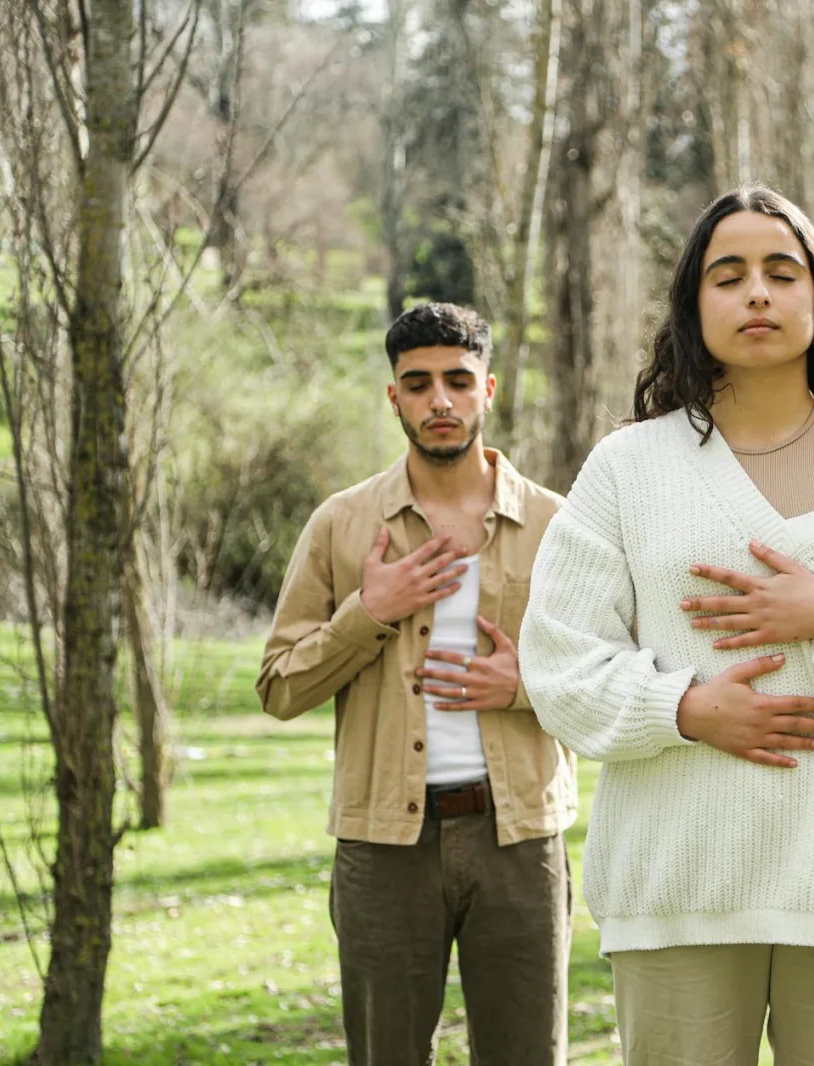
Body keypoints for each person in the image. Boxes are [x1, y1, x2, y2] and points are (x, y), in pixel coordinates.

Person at [517, 186, 814, 1065]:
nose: (756, 293)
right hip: (680, 887)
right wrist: (686, 710)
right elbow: (559, 663)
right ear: (693, 303)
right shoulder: (629, 468)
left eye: (782, 272)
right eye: (728, 274)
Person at [256, 302, 574, 1066]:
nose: (440, 400)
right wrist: (371, 611)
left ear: (488, 389)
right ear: (392, 396)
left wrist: (525, 684)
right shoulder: (340, 524)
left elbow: (614, 676)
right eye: (418, 383)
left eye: (458, 381)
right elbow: (279, 686)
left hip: (519, 839)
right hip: (382, 846)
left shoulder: (557, 525)